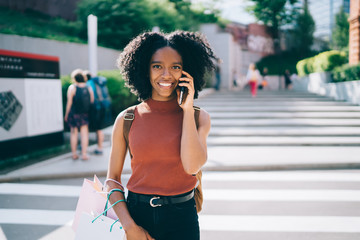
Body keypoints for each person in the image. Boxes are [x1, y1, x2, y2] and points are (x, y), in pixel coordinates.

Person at [105, 31, 216, 240]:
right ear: (145, 69)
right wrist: (130, 227)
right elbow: (112, 180)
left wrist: (187, 108)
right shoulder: (126, 119)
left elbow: (192, 167)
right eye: (157, 66)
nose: (166, 75)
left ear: (187, 71)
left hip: (182, 218)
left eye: (176, 67)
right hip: (137, 215)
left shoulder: (199, 117)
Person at [64, 69, 94, 160]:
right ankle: (84, 154)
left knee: (74, 133)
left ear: (74, 78)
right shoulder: (88, 87)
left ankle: (74, 154)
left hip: (74, 113)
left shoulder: (72, 88)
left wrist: (66, 115)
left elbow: (69, 103)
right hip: (84, 113)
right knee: (84, 134)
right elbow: (92, 101)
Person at [84, 71, 111, 155]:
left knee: (97, 129)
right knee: (99, 128)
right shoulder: (99, 83)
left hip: (96, 108)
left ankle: (99, 148)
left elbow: (91, 97)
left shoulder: (89, 83)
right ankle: (100, 147)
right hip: (102, 106)